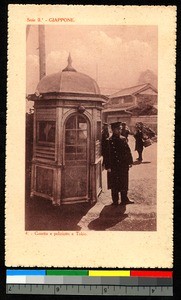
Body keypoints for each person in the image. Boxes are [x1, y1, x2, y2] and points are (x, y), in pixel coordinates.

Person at [104, 122, 134, 206]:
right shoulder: (109, 141)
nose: (120, 130)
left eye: (120, 129)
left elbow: (127, 151)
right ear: (113, 130)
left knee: (124, 182)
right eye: (118, 129)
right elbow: (106, 155)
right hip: (113, 166)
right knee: (114, 183)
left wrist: (130, 162)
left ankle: (124, 199)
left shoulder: (123, 139)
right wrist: (108, 166)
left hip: (123, 165)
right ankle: (115, 201)